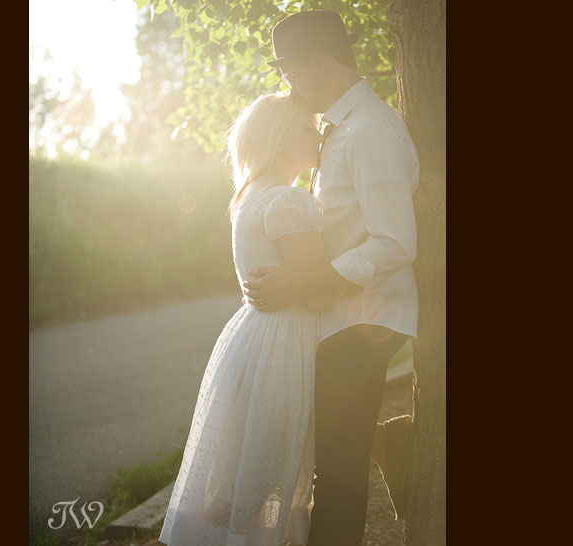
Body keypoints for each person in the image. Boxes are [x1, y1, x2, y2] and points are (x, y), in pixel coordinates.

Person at [241, 10, 421, 545]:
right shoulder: (339, 130)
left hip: (364, 319)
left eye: (289, 71)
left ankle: (381, 446)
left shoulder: (369, 132)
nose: (288, 84)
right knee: (329, 455)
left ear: (317, 63)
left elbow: (395, 243)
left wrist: (299, 284)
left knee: (337, 472)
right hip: (341, 318)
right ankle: (385, 443)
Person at [158, 92, 330, 546]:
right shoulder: (288, 201)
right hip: (282, 348)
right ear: (278, 140)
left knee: (245, 482)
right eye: (307, 129)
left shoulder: (249, 195)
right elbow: (318, 291)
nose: (318, 137)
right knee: (260, 481)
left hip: (253, 341)